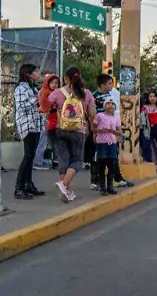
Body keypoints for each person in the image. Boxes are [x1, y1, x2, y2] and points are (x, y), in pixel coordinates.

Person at [49, 66, 96, 202]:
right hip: (78, 131)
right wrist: (91, 127)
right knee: (77, 161)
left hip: (60, 129)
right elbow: (92, 114)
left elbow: (45, 104)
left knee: (64, 159)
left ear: (66, 78)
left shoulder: (58, 92)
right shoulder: (86, 93)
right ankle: (63, 185)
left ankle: (66, 191)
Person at [91, 74, 133, 189]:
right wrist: (94, 132)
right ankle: (95, 181)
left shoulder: (112, 95)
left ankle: (117, 178)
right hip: (100, 134)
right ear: (102, 84)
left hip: (112, 133)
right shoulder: (93, 97)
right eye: (109, 83)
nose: (111, 86)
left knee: (113, 156)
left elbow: (117, 112)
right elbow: (92, 116)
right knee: (98, 158)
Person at [13, 63, 46, 199]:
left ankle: (28, 184)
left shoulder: (31, 88)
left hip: (35, 124)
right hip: (27, 125)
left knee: (31, 156)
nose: (38, 73)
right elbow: (22, 107)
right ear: (28, 74)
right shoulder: (21, 88)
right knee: (27, 156)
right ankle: (19, 187)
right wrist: (37, 98)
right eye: (35, 71)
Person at [92, 99, 121, 195]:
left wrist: (112, 131)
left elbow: (119, 131)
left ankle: (110, 186)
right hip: (101, 143)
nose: (110, 106)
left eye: (112, 104)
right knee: (101, 165)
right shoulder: (99, 115)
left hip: (112, 143)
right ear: (104, 106)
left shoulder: (116, 117)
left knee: (112, 165)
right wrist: (100, 130)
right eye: (108, 103)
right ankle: (102, 187)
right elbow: (93, 128)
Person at [38, 74, 61, 170]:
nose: (54, 85)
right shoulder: (45, 92)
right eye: (52, 83)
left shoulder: (56, 92)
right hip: (47, 118)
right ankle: (38, 161)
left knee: (55, 140)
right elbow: (43, 105)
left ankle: (55, 160)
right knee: (44, 140)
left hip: (55, 119)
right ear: (48, 83)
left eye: (56, 83)